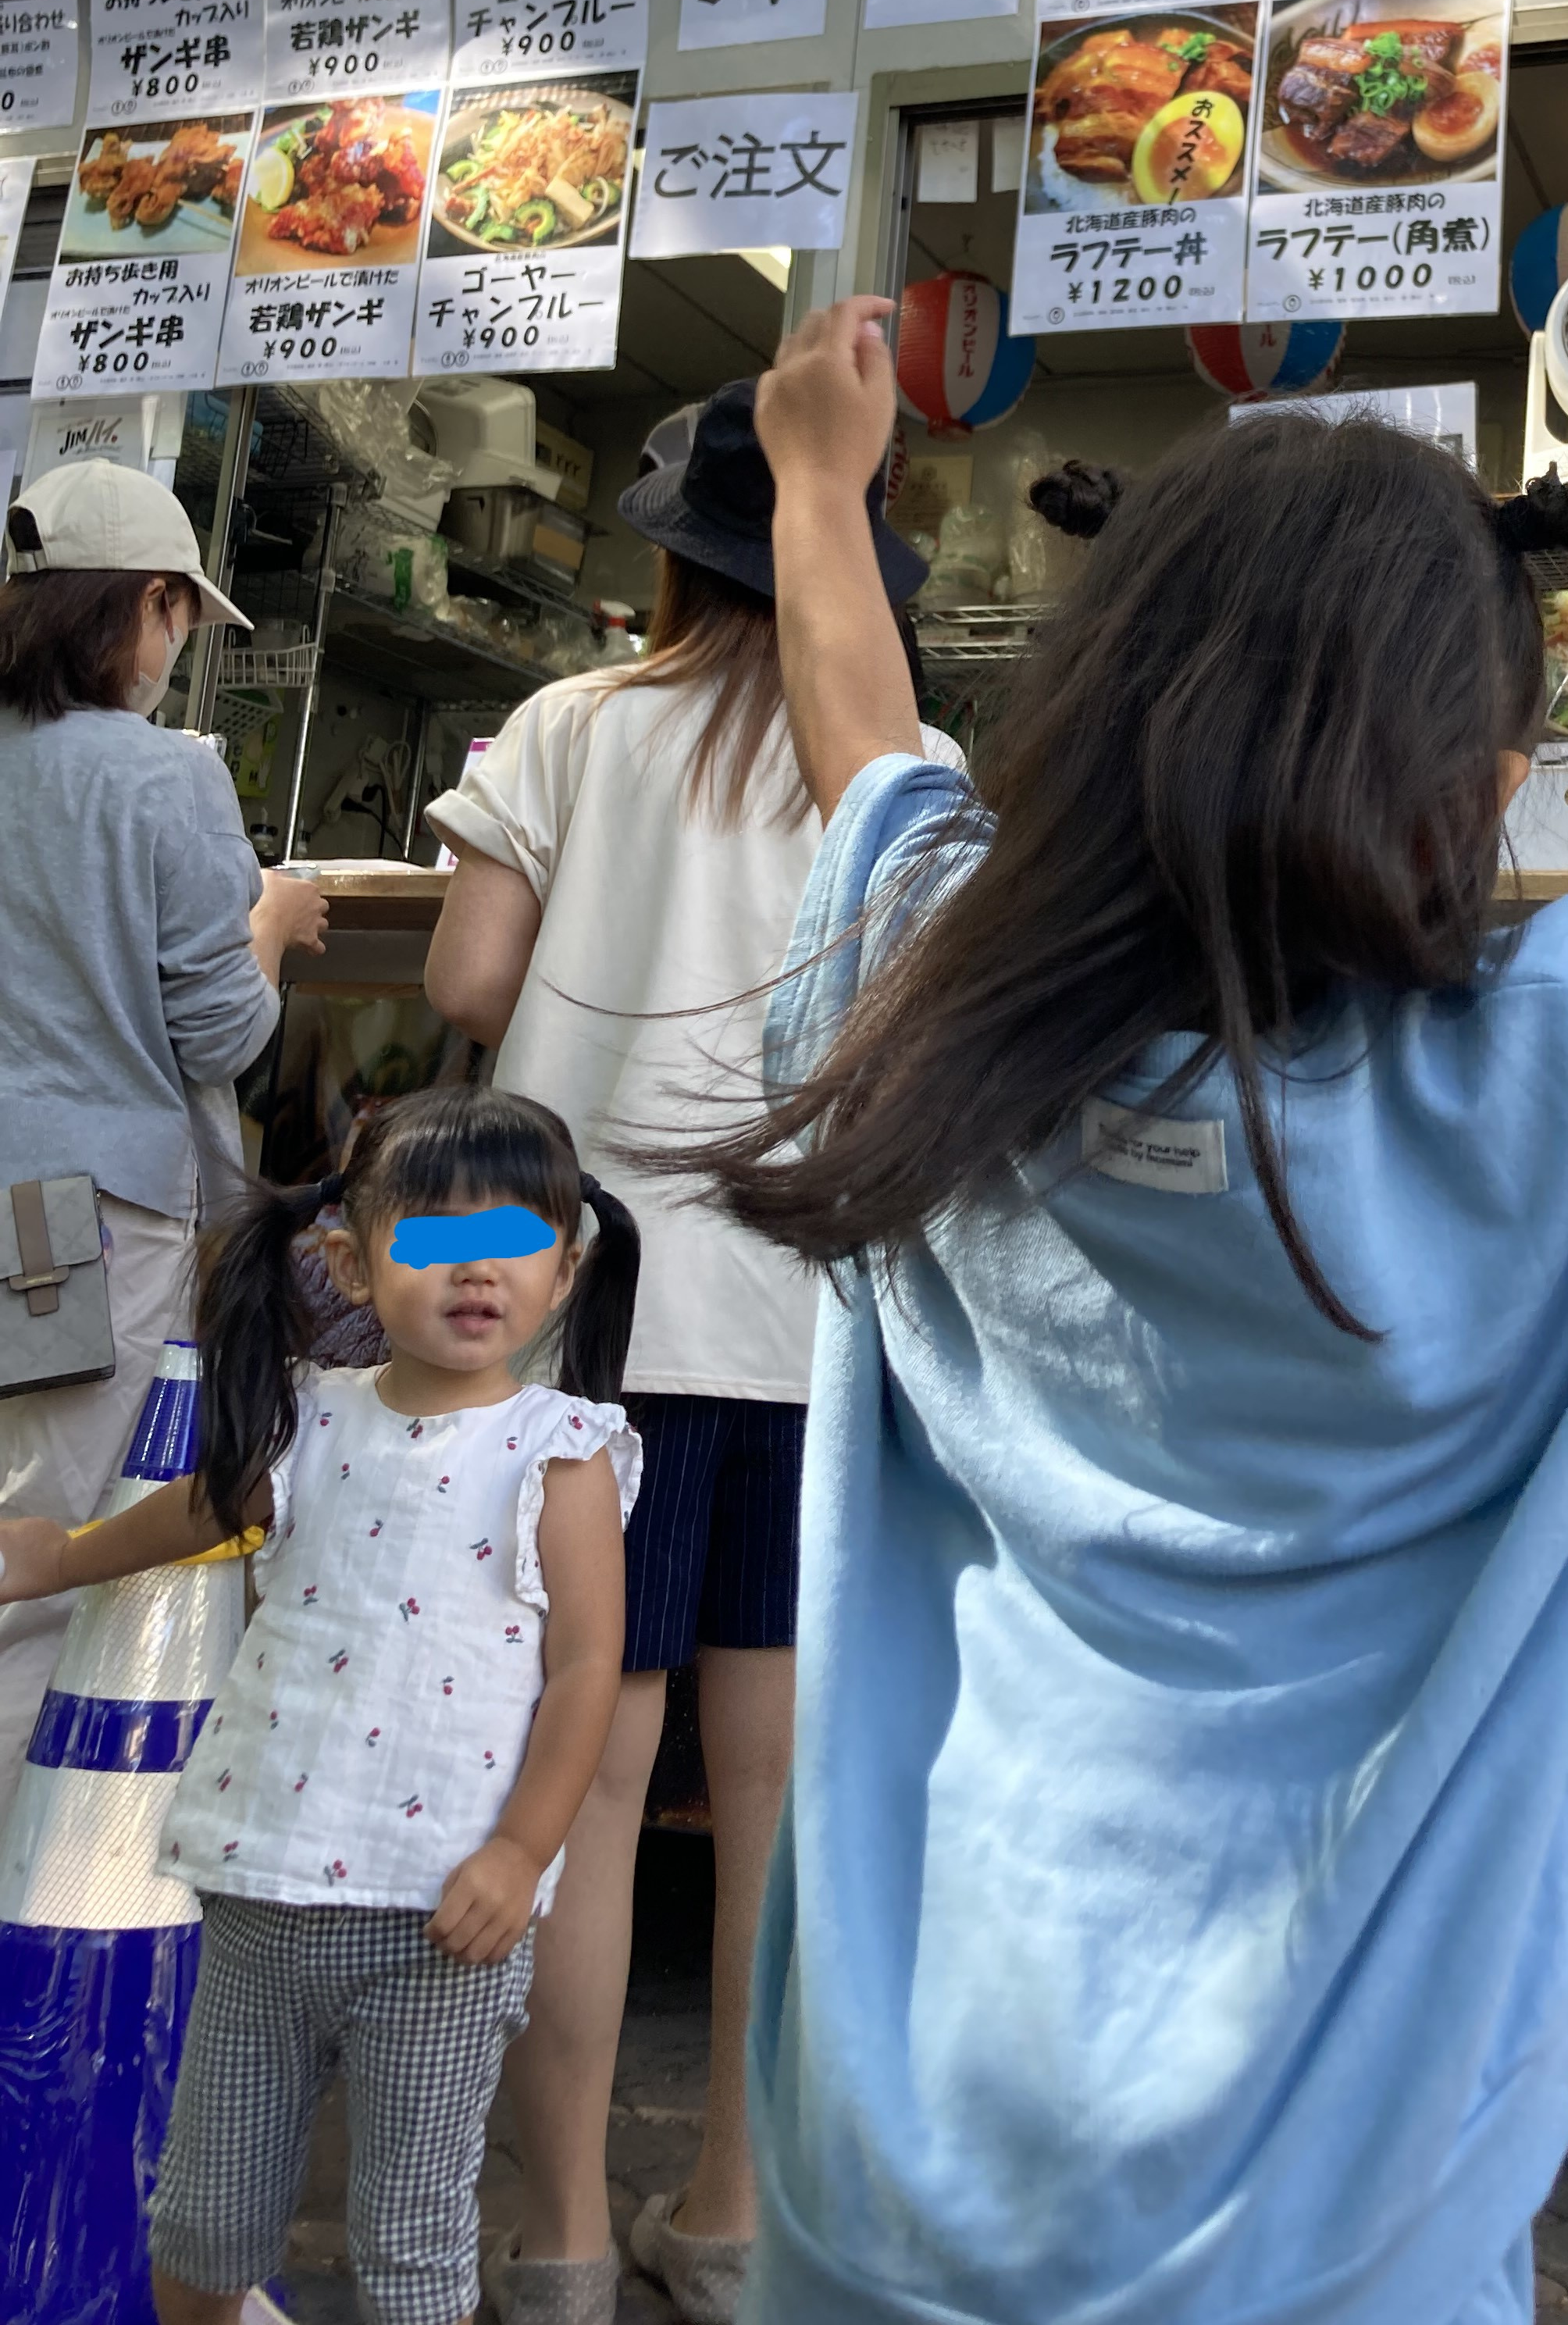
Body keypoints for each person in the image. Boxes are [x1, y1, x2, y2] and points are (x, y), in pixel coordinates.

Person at [697, 247, 1568, 2324]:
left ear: (1083, 719)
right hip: (1355, 2224)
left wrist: (818, 487)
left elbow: (861, 741)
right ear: (1492, 783)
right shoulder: (1560, 1074)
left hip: (893, 2173)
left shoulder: (940, 1003)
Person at [419, 380, 957, 2325]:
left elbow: (469, 980)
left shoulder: (569, 722)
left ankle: (559, 2241)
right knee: (777, 1809)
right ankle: (731, 2221)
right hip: (809, 1328)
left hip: (590, 1336)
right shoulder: (907, 762)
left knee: (574, 1793)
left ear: (669, 554)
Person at [0, 1081, 642, 2325]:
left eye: (517, 1239)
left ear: (565, 1270)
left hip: (441, 1919)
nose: (479, 1269)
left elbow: (586, 1670)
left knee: (411, 2250)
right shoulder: (311, 1420)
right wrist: (60, 1556)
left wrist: (523, 1850)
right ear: (351, 1263)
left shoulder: (561, 1452)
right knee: (203, 2224)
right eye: (438, 1236)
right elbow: (204, 1510)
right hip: (263, 1891)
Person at [0, 456, 327, 1828]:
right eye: (181, 616)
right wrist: (273, 926)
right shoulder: (162, 776)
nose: (176, 644)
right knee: (39, 1549)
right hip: (66, 1217)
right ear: (145, 602)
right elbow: (222, 1034)